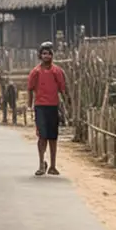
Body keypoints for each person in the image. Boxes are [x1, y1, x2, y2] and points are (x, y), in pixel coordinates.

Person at [27, 42, 67, 175]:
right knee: (42, 136)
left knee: (53, 137)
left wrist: (66, 105)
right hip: (40, 107)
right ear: (40, 55)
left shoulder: (57, 71)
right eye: (44, 53)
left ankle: (53, 166)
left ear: (52, 55)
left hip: (53, 107)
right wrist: (29, 105)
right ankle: (41, 164)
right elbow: (30, 89)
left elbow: (62, 89)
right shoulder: (35, 72)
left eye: (49, 53)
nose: (46, 56)